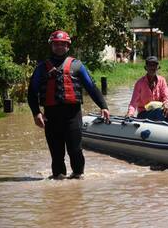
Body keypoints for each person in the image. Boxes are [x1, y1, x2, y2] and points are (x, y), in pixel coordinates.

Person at [27, 30, 110, 180]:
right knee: (56, 154)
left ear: (68, 46)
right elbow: (32, 92)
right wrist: (36, 113)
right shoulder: (41, 68)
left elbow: (91, 87)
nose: (59, 47)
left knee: (75, 150)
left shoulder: (77, 66)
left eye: (62, 44)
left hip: (73, 115)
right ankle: (58, 184)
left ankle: (78, 179)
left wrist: (103, 106)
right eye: (56, 44)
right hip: (51, 116)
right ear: (51, 45)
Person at [126, 56, 168, 123]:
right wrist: (130, 113)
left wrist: (167, 104)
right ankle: (162, 130)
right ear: (146, 68)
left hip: (159, 111)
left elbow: (166, 97)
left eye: (154, 65)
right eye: (150, 65)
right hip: (144, 114)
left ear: (157, 67)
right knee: (159, 112)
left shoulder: (162, 80)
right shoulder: (139, 83)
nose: (152, 68)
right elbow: (133, 103)